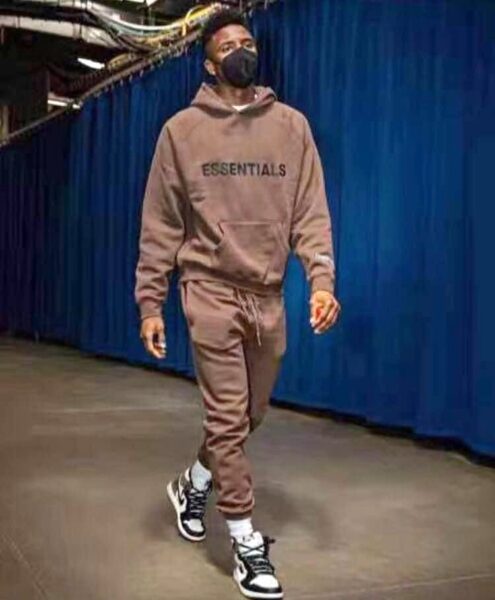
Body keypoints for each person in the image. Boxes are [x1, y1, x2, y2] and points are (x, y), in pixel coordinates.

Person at [135, 8, 341, 600]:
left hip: (267, 295)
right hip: (209, 290)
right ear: (208, 64)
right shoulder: (180, 132)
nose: (241, 52)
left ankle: (194, 483)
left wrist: (321, 281)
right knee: (228, 417)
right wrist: (151, 303)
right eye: (227, 46)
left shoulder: (292, 127)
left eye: (247, 42)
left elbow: (311, 212)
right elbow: (161, 224)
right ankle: (246, 542)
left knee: (248, 415)